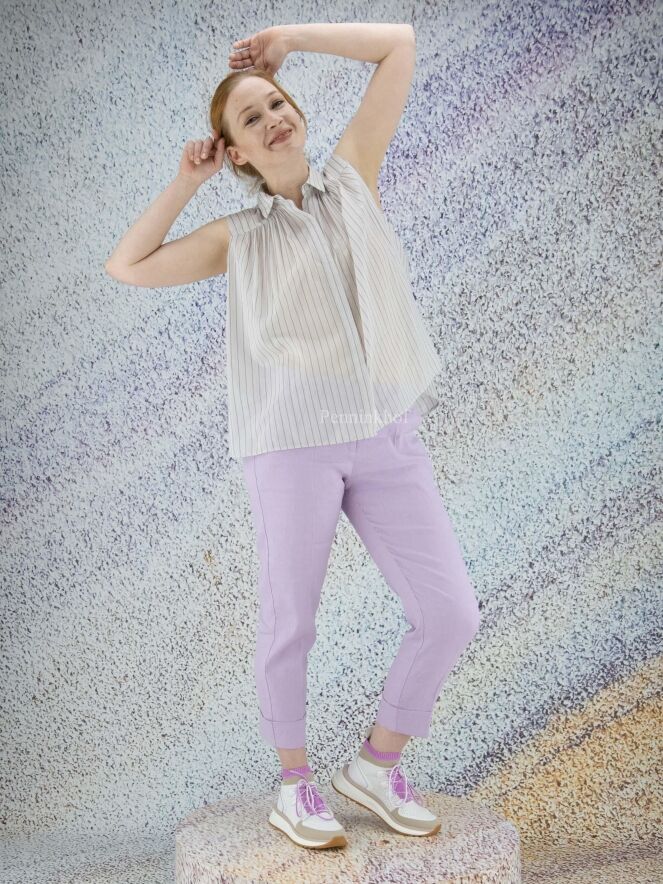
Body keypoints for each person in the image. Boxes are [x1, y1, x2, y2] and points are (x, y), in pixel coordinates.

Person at [106, 22, 481, 851]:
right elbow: (127, 265)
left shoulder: (353, 176)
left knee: (450, 612)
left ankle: (376, 765)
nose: (272, 118)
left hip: (386, 434)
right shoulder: (237, 238)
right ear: (235, 154)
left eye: (276, 104)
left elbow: (398, 44)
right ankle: (293, 785)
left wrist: (289, 39)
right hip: (291, 445)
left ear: (297, 111)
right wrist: (185, 182)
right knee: (291, 622)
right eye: (251, 119)